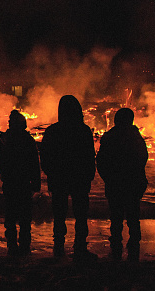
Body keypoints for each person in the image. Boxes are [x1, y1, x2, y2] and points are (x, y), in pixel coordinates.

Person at [40, 95, 97, 261]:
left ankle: (59, 247)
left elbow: (45, 157)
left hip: (59, 180)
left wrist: (51, 173)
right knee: (80, 215)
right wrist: (88, 175)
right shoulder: (83, 130)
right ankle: (80, 248)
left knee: (59, 215)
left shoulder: (52, 131)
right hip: (79, 180)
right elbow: (89, 156)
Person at [96, 108, 148, 261]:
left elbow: (101, 161)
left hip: (115, 183)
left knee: (116, 215)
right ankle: (134, 241)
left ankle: (117, 241)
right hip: (132, 182)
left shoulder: (110, 137)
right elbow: (142, 158)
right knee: (133, 214)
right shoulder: (135, 137)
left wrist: (108, 178)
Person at [0, 110, 41, 256]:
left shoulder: (4, 140)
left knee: (11, 215)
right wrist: (36, 183)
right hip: (23, 182)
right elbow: (34, 163)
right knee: (24, 217)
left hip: (10, 182)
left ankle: (12, 246)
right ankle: (24, 246)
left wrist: (4, 175)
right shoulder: (27, 140)